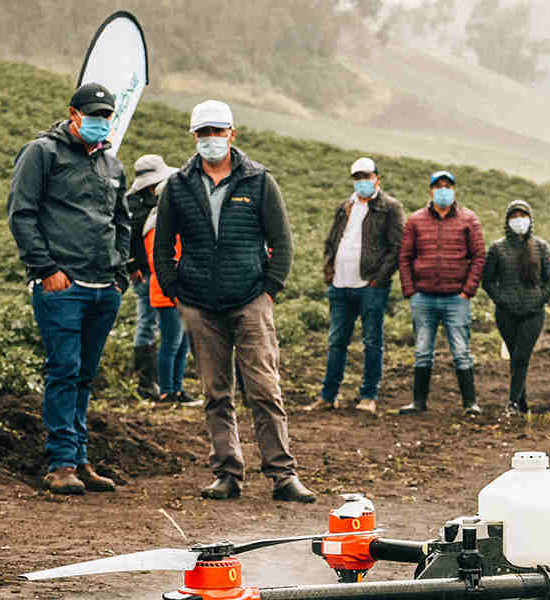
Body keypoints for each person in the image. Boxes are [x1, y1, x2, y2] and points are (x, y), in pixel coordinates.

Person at [152, 99, 314, 503]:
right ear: (194, 137)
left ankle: (282, 474)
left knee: (263, 387)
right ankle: (227, 473)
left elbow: (281, 241)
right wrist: (177, 292)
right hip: (200, 305)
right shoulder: (177, 185)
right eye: (203, 133)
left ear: (231, 134)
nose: (211, 140)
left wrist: (268, 291)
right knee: (216, 392)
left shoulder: (259, 181)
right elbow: (163, 245)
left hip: (249, 300)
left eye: (217, 132)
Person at [8, 82, 129, 496]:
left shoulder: (112, 165)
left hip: (103, 286)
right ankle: (60, 463)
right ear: (73, 114)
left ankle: (79, 458)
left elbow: (122, 221)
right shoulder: (42, 153)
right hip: (64, 285)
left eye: (106, 116)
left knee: (84, 375)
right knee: (64, 370)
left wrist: (120, 274)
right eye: (92, 115)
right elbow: (22, 213)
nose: (99, 122)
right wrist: (46, 269)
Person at [308, 156, 404, 415]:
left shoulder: (390, 208)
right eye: (358, 177)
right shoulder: (345, 207)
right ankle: (328, 396)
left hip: (369, 285)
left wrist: (379, 279)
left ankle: (368, 396)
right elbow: (331, 240)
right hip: (340, 284)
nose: (362, 182)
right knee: (336, 341)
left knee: (372, 341)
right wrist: (329, 268)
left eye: (367, 176)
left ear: (377, 178)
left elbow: (397, 247)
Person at [396, 170, 486, 415]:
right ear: (430, 191)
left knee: (461, 351)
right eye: (438, 186)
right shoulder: (415, 220)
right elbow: (404, 257)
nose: (443, 190)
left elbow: (478, 256)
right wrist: (410, 291)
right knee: (422, 350)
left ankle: (470, 403)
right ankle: (418, 402)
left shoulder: (469, 219)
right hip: (423, 297)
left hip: (456, 297)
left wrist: (468, 291)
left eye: (447, 186)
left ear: (454, 190)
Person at [480, 199, 550, 417]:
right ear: (507, 220)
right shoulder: (497, 248)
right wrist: (502, 300)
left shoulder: (541, 247)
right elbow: (488, 281)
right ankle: (522, 403)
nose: (518, 221)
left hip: (533, 313)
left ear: (530, 219)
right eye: (514, 216)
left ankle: (512, 403)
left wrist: (539, 299)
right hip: (506, 313)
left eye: (522, 216)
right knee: (515, 356)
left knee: (522, 356)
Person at [138, 165, 193, 404]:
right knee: (172, 343)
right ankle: (167, 390)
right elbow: (156, 261)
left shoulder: (173, 220)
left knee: (182, 345)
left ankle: (177, 389)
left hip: (183, 293)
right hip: (166, 293)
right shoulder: (156, 223)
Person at [125, 153, 172, 401]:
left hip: (158, 272)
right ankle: (147, 383)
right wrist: (132, 266)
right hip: (144, 274)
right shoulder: (132, 204)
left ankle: (159, 383)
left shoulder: (153, 201)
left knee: (161, 326)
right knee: (147, 324)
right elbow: (125, 239)